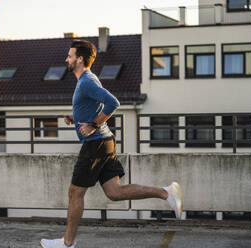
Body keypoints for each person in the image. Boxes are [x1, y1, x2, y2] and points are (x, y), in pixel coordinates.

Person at [40, 40, 183, 248]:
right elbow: (96, 104)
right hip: (104, 142)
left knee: (75, 191)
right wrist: (76, 116)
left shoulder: (87, 80)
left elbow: (113, 102)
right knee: (115, 192)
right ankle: (166, 192)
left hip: (96, 143)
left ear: (80, 59)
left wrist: (93, 124)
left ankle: (67, 243)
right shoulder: (86, 80)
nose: (66, 59)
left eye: (70, 56)